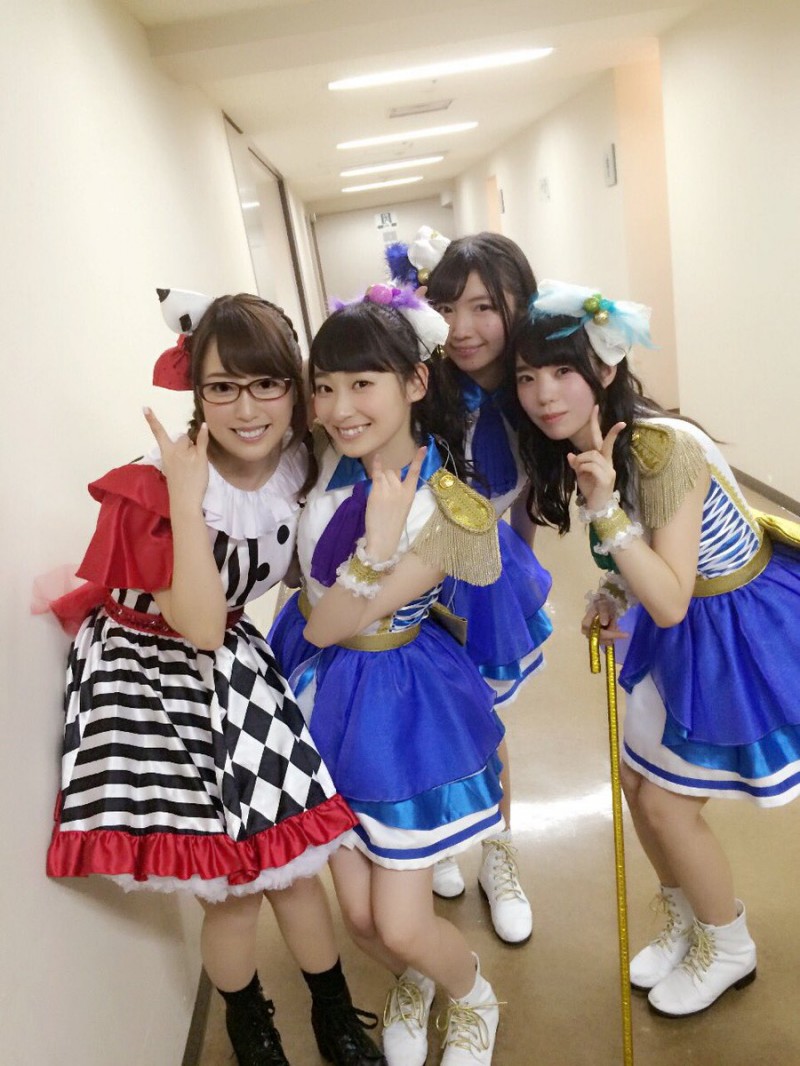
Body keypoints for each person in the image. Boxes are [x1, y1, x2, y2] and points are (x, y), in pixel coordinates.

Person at [42, 290, 386, 1066]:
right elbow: (197, 623)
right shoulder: (151, 491)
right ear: (196, 392)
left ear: (295, 388)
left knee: (294, 868)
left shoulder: (302, 463)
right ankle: (249, 1023)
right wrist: (187, 499)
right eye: (222, 387)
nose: (247, 408)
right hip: (148, 677)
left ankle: (334, 1014)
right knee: (229, 886)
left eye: (266, 383)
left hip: (231, 661)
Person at [513, 279, 800, 1017]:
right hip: (686, 624)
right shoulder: (593, 447)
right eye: (527, 376)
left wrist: (605, 508)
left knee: (669, 806)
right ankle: (688, 922)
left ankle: (728, 946)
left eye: (562, 371)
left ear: (606, 368)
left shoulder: (660, 449)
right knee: (637, 783)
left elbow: (670, 597)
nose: (543, 394)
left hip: (734, 628)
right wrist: (614, 594)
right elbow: (647, 569)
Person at [269, 286, 505, 1065]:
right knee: (364, 920)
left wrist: (374, 545)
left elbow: (328, 621)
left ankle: (471, 994)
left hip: (398, 706)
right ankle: (416, 979)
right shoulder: (322, 468)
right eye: (325, 386)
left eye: (362, 384)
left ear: (415, 382)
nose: (340, 408)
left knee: (399, 921)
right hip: (320, 696)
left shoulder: (446, 507)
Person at [420, 231, 552, 944]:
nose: (461, 328)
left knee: (487, 718)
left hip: (486, 574)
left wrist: (522, 572)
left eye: (482, 307)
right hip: (412, 573)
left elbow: (529, 492)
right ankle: (440, 840)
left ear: (518, 305)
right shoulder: (425, 385)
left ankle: (498, 853)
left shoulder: (540, 384)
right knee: (427, 715)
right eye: (446, 308)